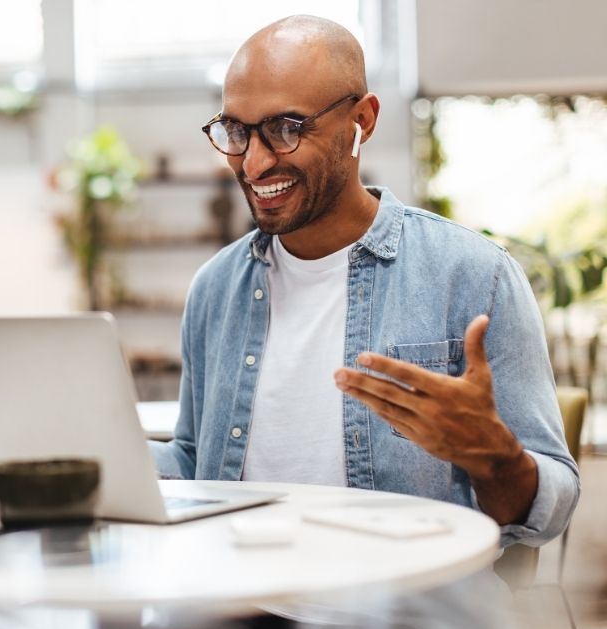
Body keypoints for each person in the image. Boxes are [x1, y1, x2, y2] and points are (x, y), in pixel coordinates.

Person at [149, 15, 579, 550]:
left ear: (362, 120)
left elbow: (555, 506)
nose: (254, 164)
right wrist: (99, 451)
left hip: (410, 595)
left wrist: (495, 459)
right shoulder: (216, 288)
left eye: (285, 129)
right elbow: (196, 460)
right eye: (236, 132)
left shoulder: (473, 275)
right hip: (243, 589)